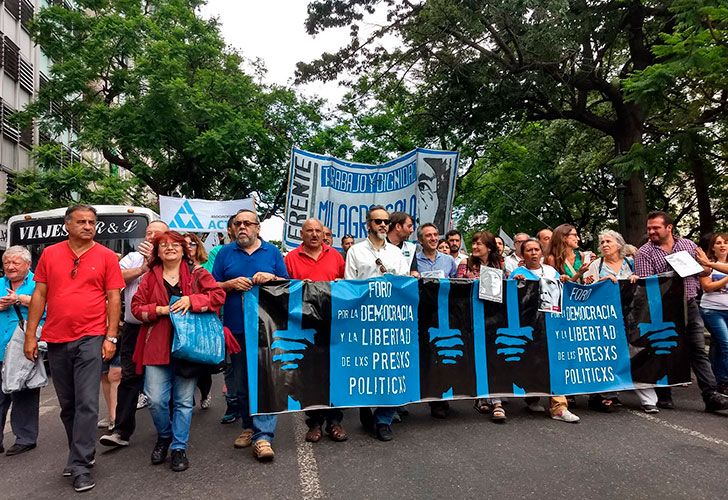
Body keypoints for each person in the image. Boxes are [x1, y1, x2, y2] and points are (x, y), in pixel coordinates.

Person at [24, 205, 124, 492]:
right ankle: (77, 453)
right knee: (67, 405)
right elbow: (39, 294)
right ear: (67, 225)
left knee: (87, 403)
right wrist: (31, 335)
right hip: (56, 339)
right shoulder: (51, 254)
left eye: (92, 222)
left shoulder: (106, 256)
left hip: (91, 337)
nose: (88, 226)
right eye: (81, 221)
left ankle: (80, 463)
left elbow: (114, 298)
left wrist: (111, 337)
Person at [131, 231, 224, 472]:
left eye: (175, 245)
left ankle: (178, 447)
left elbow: (217, 295)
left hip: (189, 347)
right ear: (157, 251)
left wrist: (193, 301)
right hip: (157, 346)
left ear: (184, 250)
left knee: (183, 401)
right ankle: (164, 435)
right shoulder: (150, 277)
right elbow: (136, 307)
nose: (170, 248)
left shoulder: (197, 273)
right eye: (164, 245)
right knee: (155, 399)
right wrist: (160, 310)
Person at [212, 209, 288, 461]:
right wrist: (229, 285)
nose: (242, 227)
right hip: (236, 329)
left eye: (248, 223)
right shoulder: (224, 253)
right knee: (242, 383)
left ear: (258, 228)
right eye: (238, 223)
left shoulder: (272, 253)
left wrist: (272, 278)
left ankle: (263, 436)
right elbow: (210, 288)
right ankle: (248, 426)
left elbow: (288, 286)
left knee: (265, 380)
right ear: (232, 228)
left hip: (268, 328)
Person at [635, 211, 728, 412]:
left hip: (689, 303)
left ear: (669, 228)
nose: (651, 231)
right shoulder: (644, 252)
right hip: (662, 309)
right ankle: (664, 393)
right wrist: (670, 275)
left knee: (697, 349)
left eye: (656, 228)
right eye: (649, 228)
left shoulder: (688, 245)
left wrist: (699, 267)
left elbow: (706, 271)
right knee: (664, 349)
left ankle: (711, 394)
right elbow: (645, 284)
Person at [100, 220, 169, 449]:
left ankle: (168, 430)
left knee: (164, 378)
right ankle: (121, 431)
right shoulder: (132, 258)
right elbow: (115, 280)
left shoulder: (171, 258)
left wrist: (156, 262)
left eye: (155, 234)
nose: (149, 237)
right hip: (133, 327)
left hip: (161, 327)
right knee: (128, 376)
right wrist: (143, 268)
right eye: (147, 233)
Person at [345, 205, 409, 441]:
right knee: (367, 368)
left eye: (386, 221)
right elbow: (350, 285)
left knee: (391, 368)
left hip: (391, 319)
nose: (383, 225)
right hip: (364, 319)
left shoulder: (396, 253)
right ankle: (366, 406)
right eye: (378, 221)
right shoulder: (355, 252)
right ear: (368, 224)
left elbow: (403, 284)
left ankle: (384, 419)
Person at [284, 219, 348, 443]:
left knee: (335, 372)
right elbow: (283, 289)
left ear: (324, 234)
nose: (313, 234)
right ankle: (314, 422)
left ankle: (334, 421)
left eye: (317, 231)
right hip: (304, 325)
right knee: (310, 374)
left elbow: (346, 286)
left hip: (333, 324)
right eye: (309, 231)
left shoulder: (336, 256)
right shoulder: (290, 258)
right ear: (301, 234)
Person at [583, 230, 656, 412]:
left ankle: (648, 399)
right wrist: (601, 282)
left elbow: (645, 285)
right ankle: (608, 395)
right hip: (605, 318)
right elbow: (586, 289)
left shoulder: (631, 263)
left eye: (609, 241)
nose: (605, 245)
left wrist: (636, 279)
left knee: (637, 353)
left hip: (632, 317)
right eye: (602, 243)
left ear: (619, 244)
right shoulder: (596, 265)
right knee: (608, 355)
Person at [510, 239, 581, 423]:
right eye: (529, 250)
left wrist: (566, 280)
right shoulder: (517, 273)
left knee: (554, 363)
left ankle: (559, 407)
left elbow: (561, 294)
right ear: (523, 254)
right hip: (529, 326)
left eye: (536, 249)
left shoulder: (551, 271)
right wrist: (515, 284)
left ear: (541, 252)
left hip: (551, 326)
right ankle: (532, 397)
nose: (533, 253)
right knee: (532, 362)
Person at [456, 231, 508, 422]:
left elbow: (507, 285)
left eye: (479, 244)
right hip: (471, 317)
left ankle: (497, 402)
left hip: (494, 317)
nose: (475, 247)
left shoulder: (500, 264)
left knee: (494, 357)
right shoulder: (465, 264)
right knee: (477, 358)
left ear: (489, 247)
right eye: (474, 243)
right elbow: (457, 288)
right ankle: (481, 396)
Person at [0, 246, 40, 457]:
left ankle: (25, 438)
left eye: (16, 263)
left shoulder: (38, 283)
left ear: (28, 264)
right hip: (0, 347)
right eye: (7, 263)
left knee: (24, 393)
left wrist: (21, 300)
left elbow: (51, 307)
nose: (10, 267)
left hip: (23, 346)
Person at [415, 224, 458, 418]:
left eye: (435, 235)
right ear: (420, 240)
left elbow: (458, 285)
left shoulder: (449, 261)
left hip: (444, 316)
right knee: (425, 356)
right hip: (422, 315)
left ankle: (440, 400)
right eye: (428, 236)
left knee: (443, 355)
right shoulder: (413, 261)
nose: (433, 238)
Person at [184, 232, 213, 410]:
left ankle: (205, 391)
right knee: (185, 365)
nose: (188, 247)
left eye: (192, 244)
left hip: (200, 323)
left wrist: (193, 301)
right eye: (184, 244)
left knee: (202, 367)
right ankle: (187, 399)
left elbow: (216, 296)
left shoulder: (203, 271)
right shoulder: (172, 269)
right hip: (180, 324)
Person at [698, 233, 728, 395]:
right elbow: (707, 287)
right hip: (712, 310)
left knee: (717, 345)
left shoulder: (709, 263)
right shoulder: (708, 266)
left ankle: (713, 379)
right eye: (718, 243)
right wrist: (725, 280)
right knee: (726, 344)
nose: (723, 245)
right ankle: (724, 381)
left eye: (726, 242)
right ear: (713, 248)